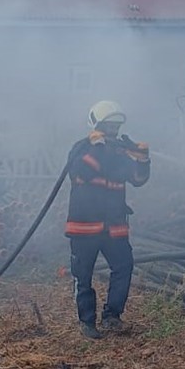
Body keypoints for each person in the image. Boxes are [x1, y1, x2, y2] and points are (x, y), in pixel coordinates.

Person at [65, 100, 150, 340]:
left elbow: (138, 179)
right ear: (96, 125)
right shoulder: (81, 149)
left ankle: (112, 316)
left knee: (124, 266)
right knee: (83, 275)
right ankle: (87, 322)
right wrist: (97, 147)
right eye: (108, 127)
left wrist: (143, 159)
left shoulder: (119, 153)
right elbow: (84, 171)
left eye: (115, 127)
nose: (112, 132)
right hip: (84, 228)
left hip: (114, 227)